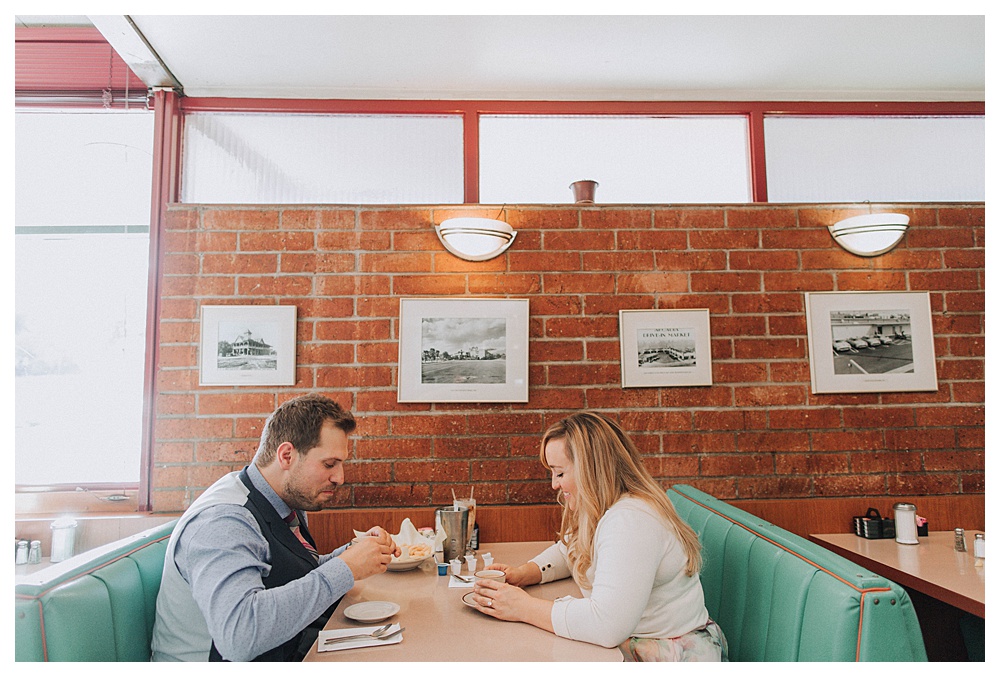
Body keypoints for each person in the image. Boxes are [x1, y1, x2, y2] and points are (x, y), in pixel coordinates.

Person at [150, 393, 400, 661]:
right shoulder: (223, 521)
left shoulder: (282, 500)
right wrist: (346, 568)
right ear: (287, 455)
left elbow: (283, 576)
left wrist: (352, 553)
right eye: (329, 464)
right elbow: (240, 635)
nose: (340, 478)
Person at [470, 411, 727, 662]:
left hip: (668, 653)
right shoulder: (601, 507)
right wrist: (526, 573)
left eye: (560, 473)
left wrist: (522, 607)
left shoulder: (631, 520)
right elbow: (567, 549)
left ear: (590, 469)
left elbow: (607, 625)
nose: (554, 485)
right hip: (635, 642)